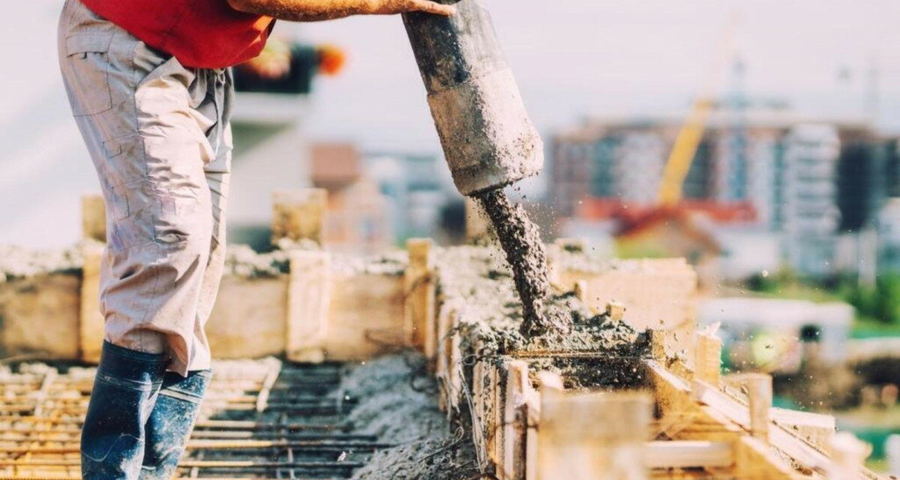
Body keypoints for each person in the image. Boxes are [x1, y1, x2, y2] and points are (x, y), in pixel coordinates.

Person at [57, 1, 453, 479]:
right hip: (127, 37)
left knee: (198, 267)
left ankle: (151, 471)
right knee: (171, 240)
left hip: (199, 60)